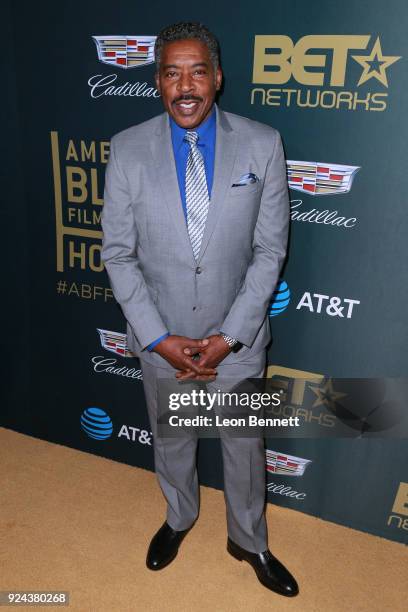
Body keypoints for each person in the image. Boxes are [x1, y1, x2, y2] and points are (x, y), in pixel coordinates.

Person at [101, 22, 298, 597]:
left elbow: (270, 251)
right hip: (162, 337)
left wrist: (229, 337)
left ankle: (250, 539)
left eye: (196, 71)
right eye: (171, 72)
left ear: (217, 77)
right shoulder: (128, 147)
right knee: (172, 440)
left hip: (236, 339)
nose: (184, 86)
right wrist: (159, 337)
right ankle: (179, 516)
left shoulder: (263, 144)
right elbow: (117, 252)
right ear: (158, 80)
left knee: (243, 445)